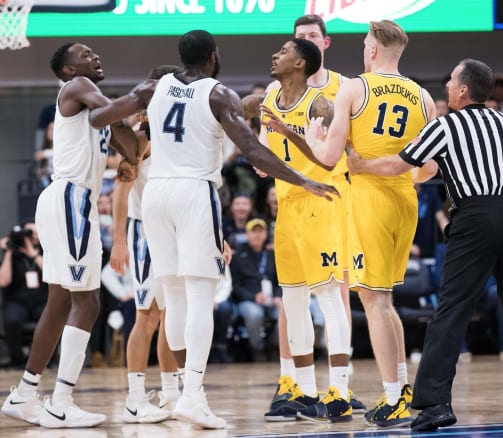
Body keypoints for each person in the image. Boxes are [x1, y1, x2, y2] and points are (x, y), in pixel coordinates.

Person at [87, 30, 337, 429]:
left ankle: (180, 392)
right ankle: (192, 396)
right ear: (214, 56)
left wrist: (127, 146)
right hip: (193, 192)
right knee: (200, 298)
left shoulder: (155, 87)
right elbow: (254, 151)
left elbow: (101, 116)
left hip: (155, 195)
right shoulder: (218, 94)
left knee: (173, 298)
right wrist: (301, 179)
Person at [346, 58, 503, 430]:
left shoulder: (445, 125)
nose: (447, 88)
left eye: (452, 81)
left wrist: (360, 166)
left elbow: (400, 165)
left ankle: (436, 403)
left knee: (451, 310)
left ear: (463, 90)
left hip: (473, 219)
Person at [303, 20, 436, 427]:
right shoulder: (422, 95)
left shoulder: (355, 87)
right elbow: (429, 168)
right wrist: (395, 175)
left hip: (369, 199)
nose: (364, 50)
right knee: (386, 299)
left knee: (373, 299)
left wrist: (312, 138)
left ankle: (393, 396)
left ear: (374, 50)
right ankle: (401, 386)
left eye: (365, 44)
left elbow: (328, 157)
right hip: (405, 199)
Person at [1, 42, 140, 428]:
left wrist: (135, 134)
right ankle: (61, 401)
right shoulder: (77, 87)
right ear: (67, 70)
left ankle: (25, 393)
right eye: (84, 54)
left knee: (61, 300)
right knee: (87, 301)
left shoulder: (97, 108)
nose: (95, 56)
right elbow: (116, 112)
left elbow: (131, 149)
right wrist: (147, 91)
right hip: (71, 198)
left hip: (74, 202)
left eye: (96, 52)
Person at [262, 13, 365, 418]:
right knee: (292, 300)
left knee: (330, 296)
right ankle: (304, 391)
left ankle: (338, 389)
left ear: (304, 58)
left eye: (286, 49)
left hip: (322, 201)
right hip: (286, 206)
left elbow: (330, 157)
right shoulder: (270, 97)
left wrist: (290, 138)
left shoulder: (322, 101)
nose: (277, 53)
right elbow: (255, 140)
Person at [109, 65, 184, 424]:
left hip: (176, 232)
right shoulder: (139, 139)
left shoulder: (178, 134)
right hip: (145, 232)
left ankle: (171, 396)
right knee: (147, 316)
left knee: (173, 316)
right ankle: (134, 398)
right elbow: (120, 191)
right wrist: (119, 239)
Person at [229, 218, 281, 361]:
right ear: (247, 234)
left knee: (284, 312)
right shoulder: (238, 257)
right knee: (254, 314)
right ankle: (257, 349)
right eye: (253, 231)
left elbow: (280, 281)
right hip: (249, 300)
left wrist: (278, 296)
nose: (257, 235)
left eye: (260, 231)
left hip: (272, 299)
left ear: (266, 234)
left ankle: (274, 346)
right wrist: (253, 297)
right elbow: (235, 286)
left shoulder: (273, 255)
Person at [0, 223, 46, 368]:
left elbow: (52, 275)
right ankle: (18, 361)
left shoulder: (46, 253)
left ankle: (47, 360)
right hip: (18, 302)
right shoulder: (13, 256)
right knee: (11, 319)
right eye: (29, 233)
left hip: (41, 301)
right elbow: (3, 281)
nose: (32, 236)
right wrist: (8, 252)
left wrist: (34, 255)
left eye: (35, 233)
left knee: (51, 318)